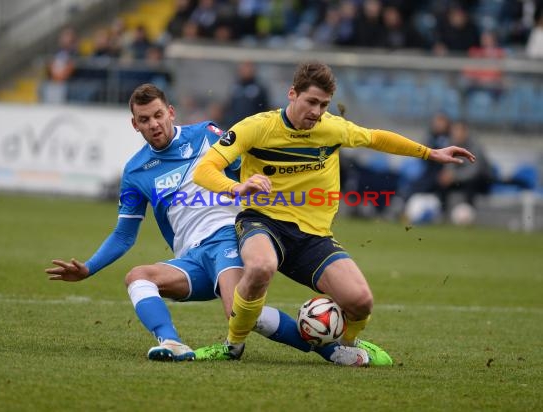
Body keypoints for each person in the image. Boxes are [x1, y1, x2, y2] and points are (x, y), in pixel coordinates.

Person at [45, 83, 370, 366]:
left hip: (228, 239)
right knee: (138, 276)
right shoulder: (135, 172)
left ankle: (332, 352)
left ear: (171, 112)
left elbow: (251, 162)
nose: (154, 124)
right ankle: (171, 343)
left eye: (158, 115)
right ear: (135, 125)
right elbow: (124, 235)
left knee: (238, 313)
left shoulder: (206, 135)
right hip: (191, 260)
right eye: (144, 120)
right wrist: (89, 268)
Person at [193, 61, 475, 364]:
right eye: (311, 102)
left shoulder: (332, 128)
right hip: (263, 221)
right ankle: (232, 346)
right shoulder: (256, 127)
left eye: (324, 105)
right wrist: (237, 188)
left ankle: (345, 345)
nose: (316, 111)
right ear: (292, 94)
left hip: (313, 236)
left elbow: (376, 137)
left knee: (361, 302)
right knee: (261, 266)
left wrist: (430, 153)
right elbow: (205, 170)